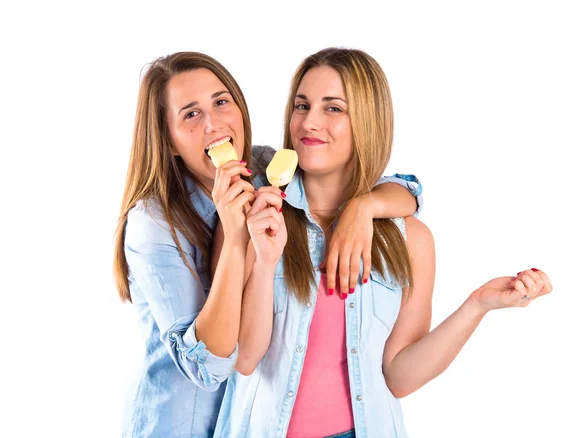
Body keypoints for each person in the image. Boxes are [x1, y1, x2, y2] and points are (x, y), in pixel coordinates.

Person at [213, 47, 553, 438]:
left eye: (333, 108)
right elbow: (245, 358)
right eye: (302, 105)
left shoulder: (410, 240)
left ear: (367, 120)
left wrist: (477, 305)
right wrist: (265, 258)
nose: (309, 122)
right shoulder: (250, 215)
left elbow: (398, 377)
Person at [113, 51, 423, 437]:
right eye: (190, 114)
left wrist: (366, 205)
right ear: (168, 140)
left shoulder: (263, 169)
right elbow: (209, 367)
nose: (214, 124)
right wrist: (235, 238)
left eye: (221, 102)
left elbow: (385, 181)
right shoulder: (153, 225)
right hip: (182, 424)